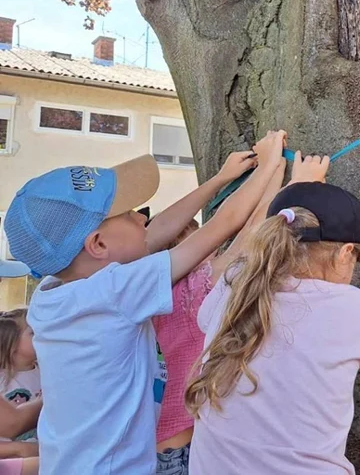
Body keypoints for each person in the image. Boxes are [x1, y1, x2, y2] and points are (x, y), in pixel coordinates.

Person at [3, 131, 288, 475]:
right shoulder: (112, 293)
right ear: (97, 244)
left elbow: (156, 233)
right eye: (130, 214)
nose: (143, 219)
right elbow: (221, 227)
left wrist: (220, 179)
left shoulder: (53, 293)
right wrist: (270, 165)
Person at [186, 170, 360, 474]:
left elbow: (203, 319)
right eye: (357, 259)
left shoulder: (235, 284)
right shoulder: (357, 308)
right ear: (345, 254)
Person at [153, 152, 289, 475]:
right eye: (196, 234)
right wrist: (280, 168)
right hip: (188, 452)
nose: (210, 244)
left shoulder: (158, 301)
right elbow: (250, 236)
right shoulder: (191, 290)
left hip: (165, 450)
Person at [0, 310, 39, 453]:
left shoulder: (47, 371)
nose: (42, 335)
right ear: (12, 343)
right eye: (32, 333)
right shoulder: (2, 379)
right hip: (12, 457)